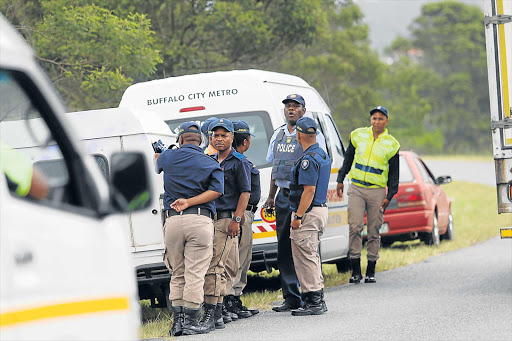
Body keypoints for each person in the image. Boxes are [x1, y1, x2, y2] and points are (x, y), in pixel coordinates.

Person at [154, 122, 224, 336]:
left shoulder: (168, 156)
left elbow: (157, 164)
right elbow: (217, 191)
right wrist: (191, 201)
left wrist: (160, 151)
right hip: (200, 220)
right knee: (195, 273)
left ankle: (177, 323)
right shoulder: (210, 161)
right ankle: (192, 322)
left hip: (172, 221)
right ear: (201, 140)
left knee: (177, 273)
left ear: (181, 139)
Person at [264, 94, 327, 312]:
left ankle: (311, 296)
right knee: (284, 247)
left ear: (303, 110)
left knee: (305, 247)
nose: (291, 110)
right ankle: (291, 297)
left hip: (303, 197)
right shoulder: (278, 135)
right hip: (283, 195)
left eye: (295, 106)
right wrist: (271, 196)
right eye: (288, 107)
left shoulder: (309, 136)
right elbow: (275, 168)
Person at [336, 106, 400, 284]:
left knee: (373, 230)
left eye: (380, 119)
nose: (376, 122)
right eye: (374, 118)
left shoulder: (392, 144)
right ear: (370, 120)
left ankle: (371, 270)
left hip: (377, 191)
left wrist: (390, 194)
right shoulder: (357, 135)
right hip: (356, 188)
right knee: (355, 226)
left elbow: (394, 174)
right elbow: (348, 158)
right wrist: (341, 179)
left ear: (386, 121)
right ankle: (356, 270)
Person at [201, 118, 252, 332]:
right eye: (216, 135)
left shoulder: (238, 161)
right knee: (218, 266)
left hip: (228, 218)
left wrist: (237, 220)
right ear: (210, 137)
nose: (219, 139)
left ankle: (215, 311)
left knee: (224, 266)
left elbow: (245, 192)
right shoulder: (209, 160)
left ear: (232, 137)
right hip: (211, 218)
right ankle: (219, 313)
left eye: (224, 135)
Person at [288, 117, 330, 316]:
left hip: (308, 212)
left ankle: (314, 301)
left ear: (298, 135)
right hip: (320, 210)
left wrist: (298, 215)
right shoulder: (321, 153)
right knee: (311, 254)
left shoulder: (308, 159)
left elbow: (309, 191)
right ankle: (315, 299)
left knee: (305, 257)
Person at [224, 120, 260, 319]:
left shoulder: (235, 160)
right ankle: (232, 298)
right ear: (245, 142)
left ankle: (234, 298)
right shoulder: (240, 162)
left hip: (242, 214)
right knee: (239, 258)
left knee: (240, 258)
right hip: (241, 214)